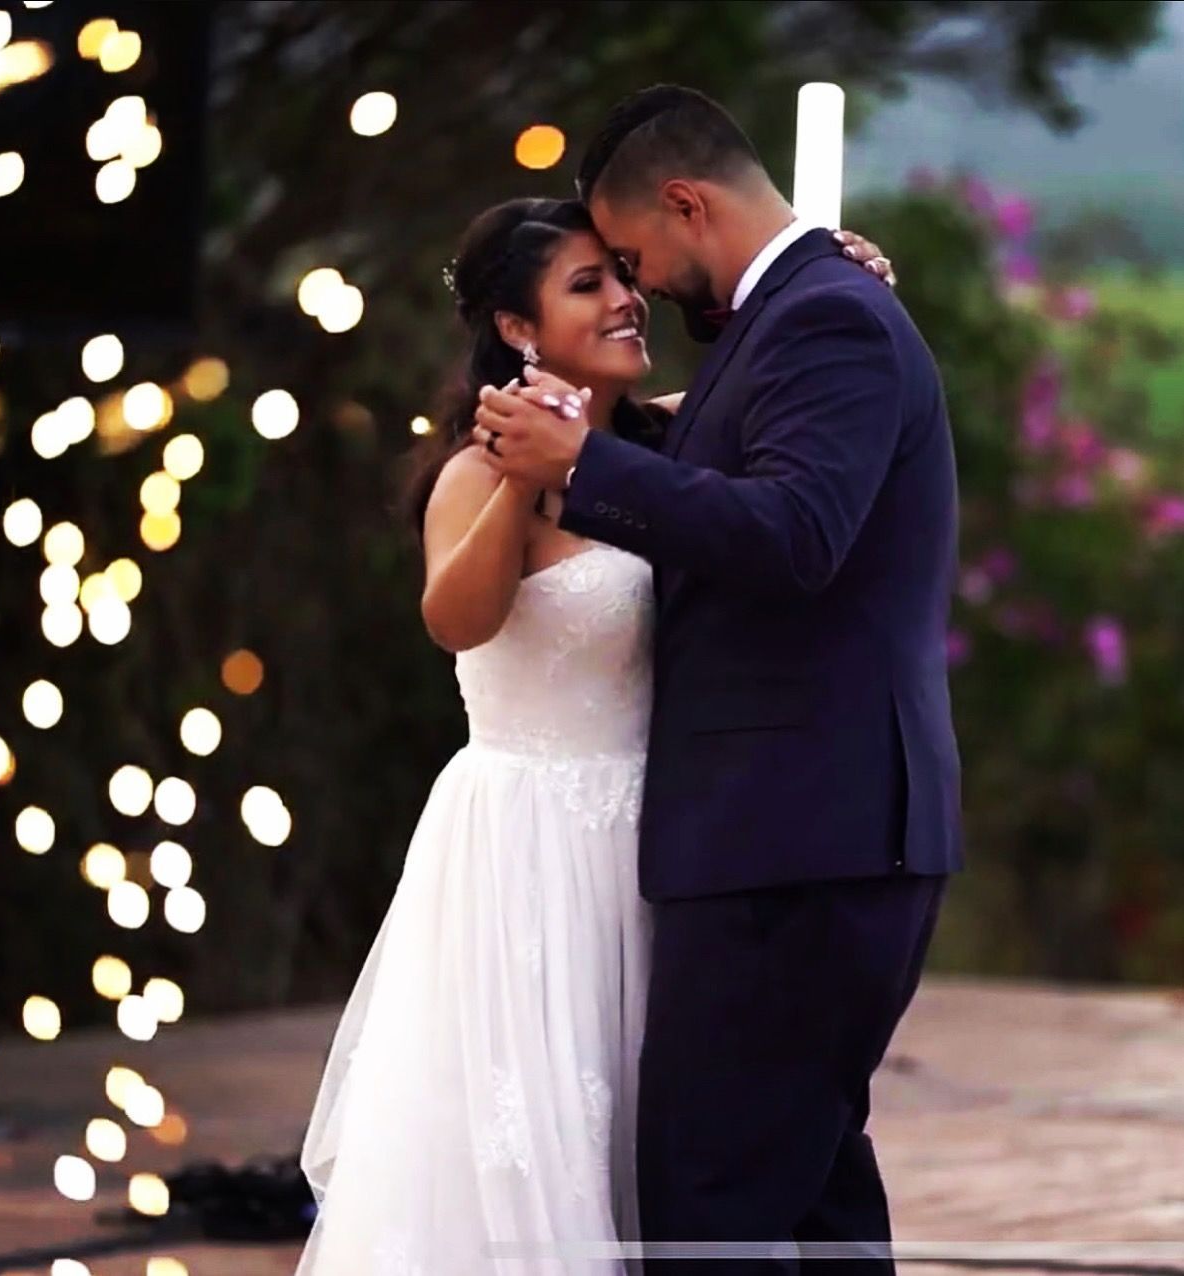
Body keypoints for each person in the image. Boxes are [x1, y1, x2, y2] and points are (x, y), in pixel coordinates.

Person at [295, 186, 896, 1272]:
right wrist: (525, 483)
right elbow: (455, 621)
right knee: (534, 1157)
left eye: (624, 273)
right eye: (590, 284)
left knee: (663, 1144)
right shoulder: (476, 473)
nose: (626, 298)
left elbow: (773, 395)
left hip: (660, 843)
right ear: (517, 330)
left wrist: (821, 271)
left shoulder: (664, 443)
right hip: (524, 854)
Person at [473, 86, 962, 1274]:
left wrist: (582, 460)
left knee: (708, 1201)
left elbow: (796, 534)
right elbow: (715, 466)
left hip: (798, 835)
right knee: (805, 1194)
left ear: (687, 203)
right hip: (803, 833)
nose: (639, 288)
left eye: (634, 255)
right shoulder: (792, 317)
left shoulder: (822, 319)